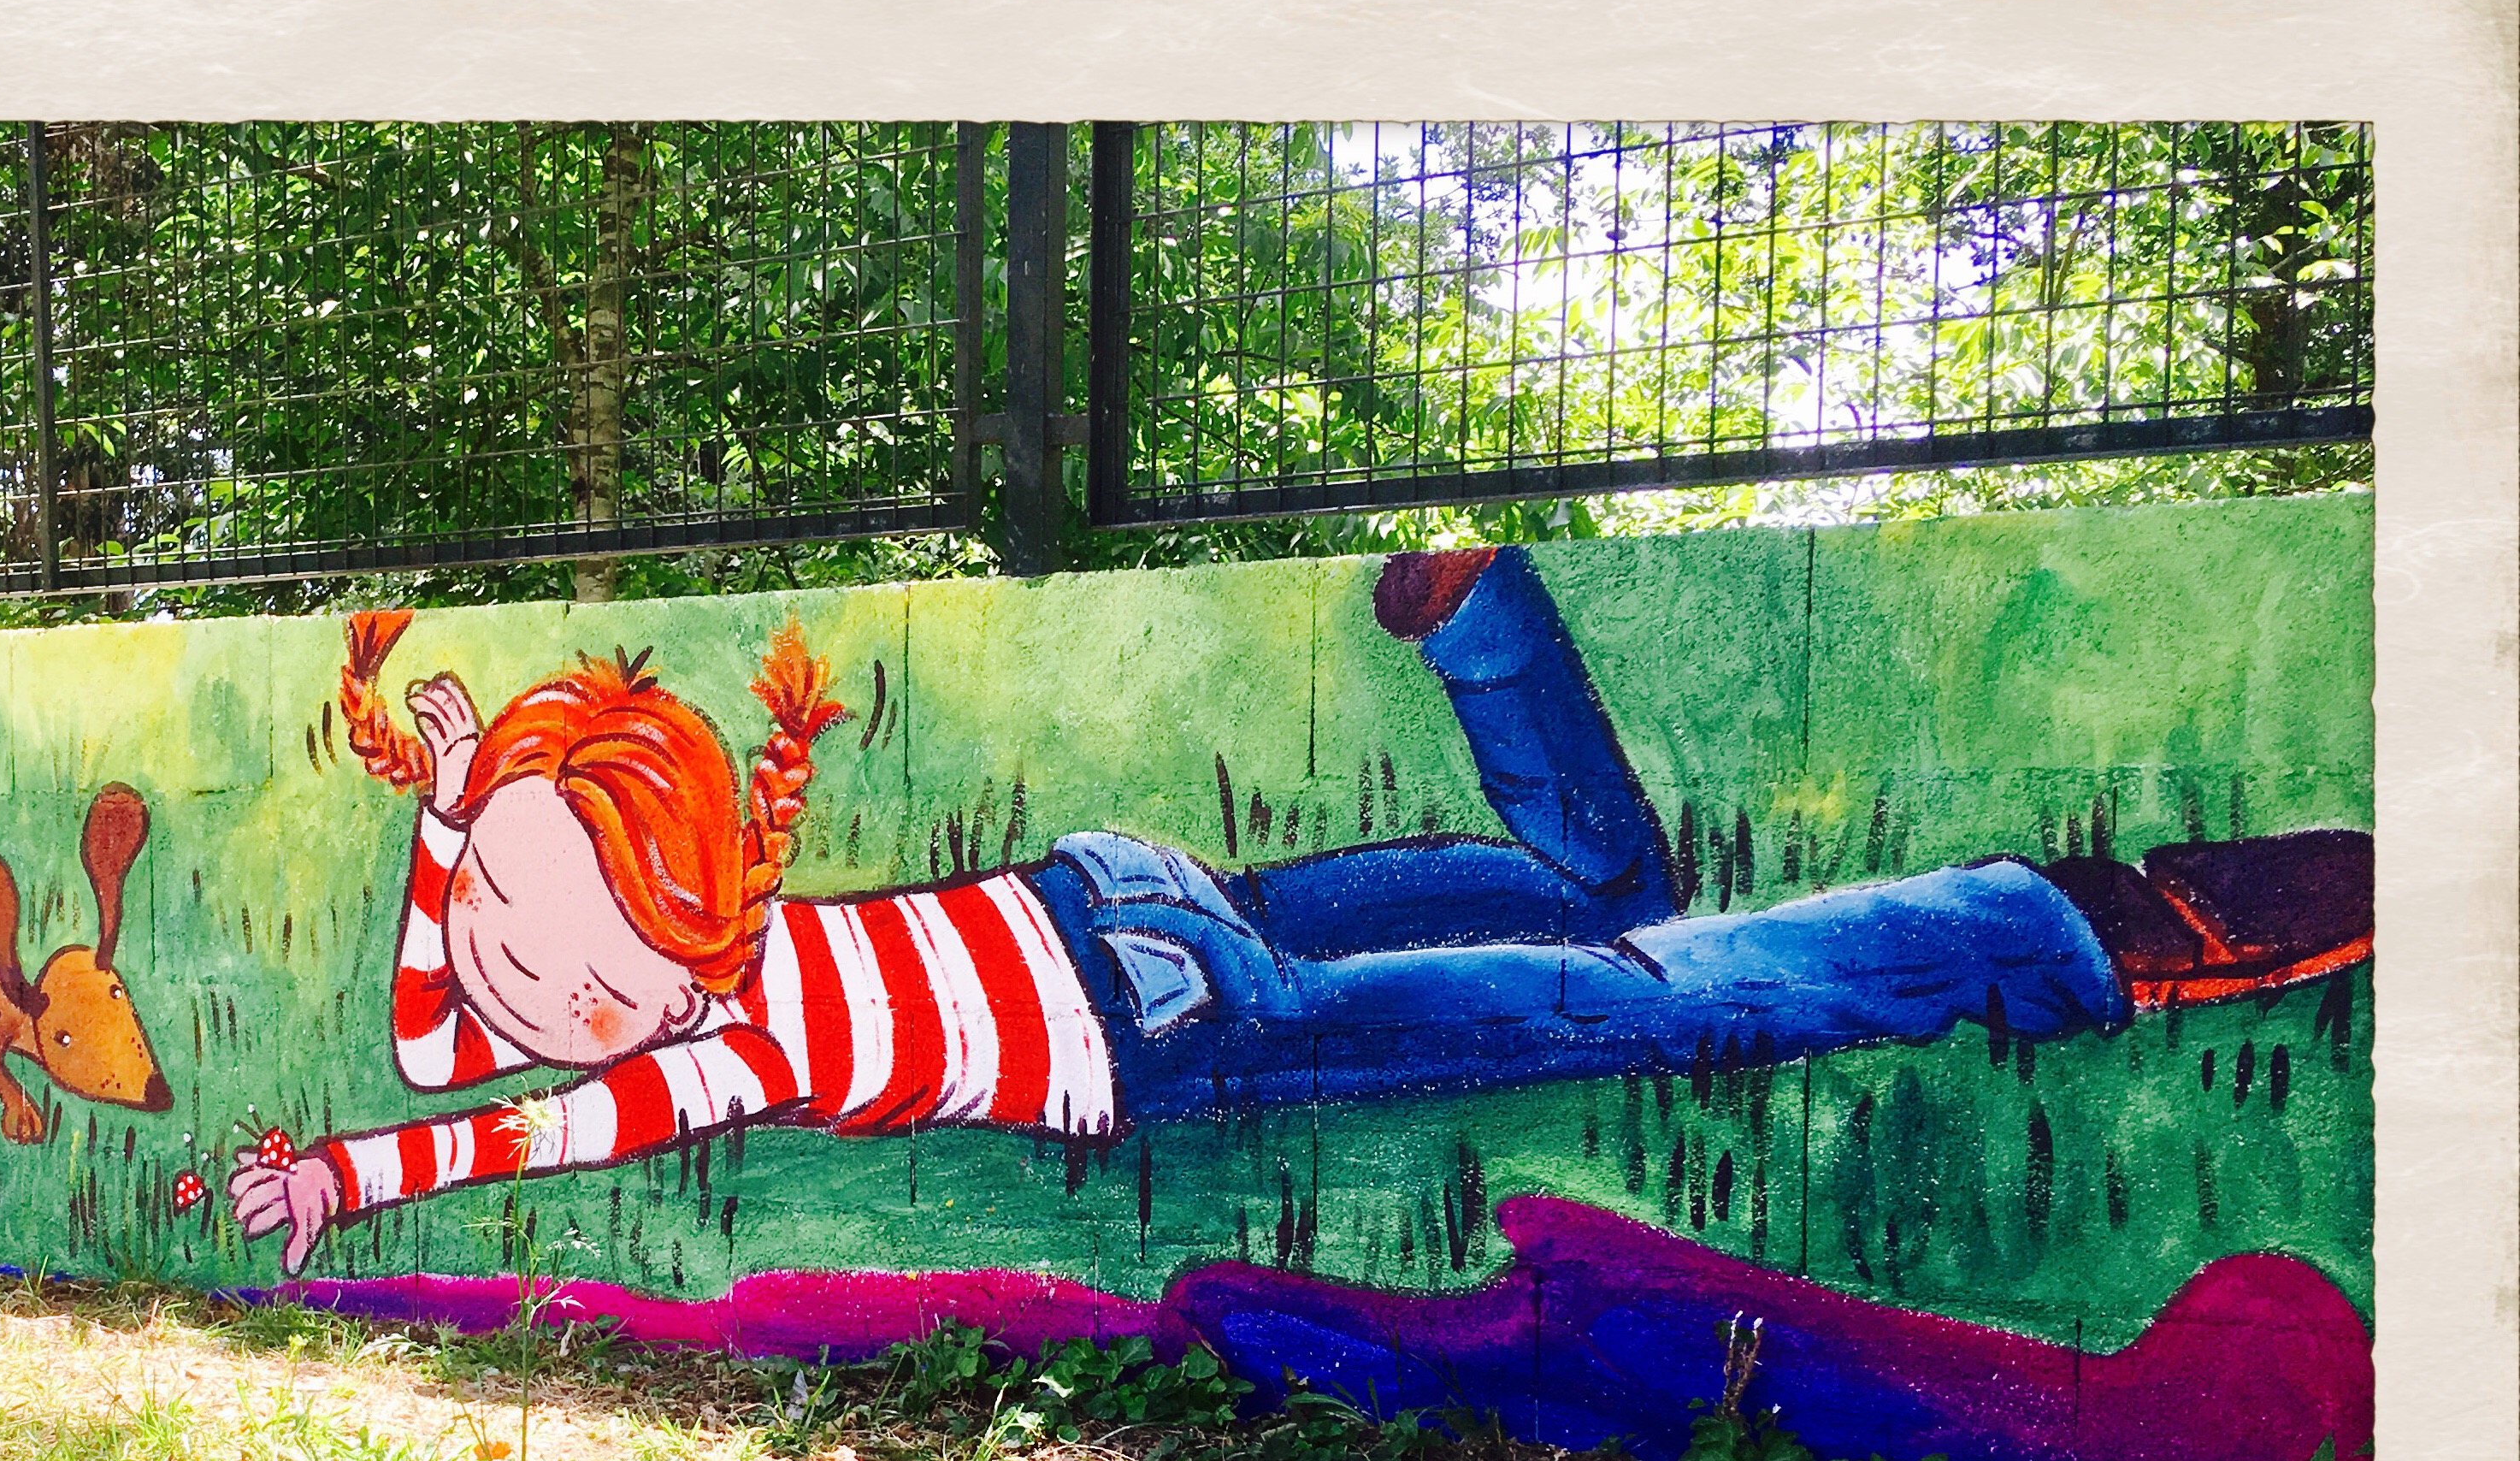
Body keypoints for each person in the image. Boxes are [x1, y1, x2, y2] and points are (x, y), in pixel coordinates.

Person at [230, 547, 2370, 1274]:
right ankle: (1480, 620)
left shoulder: (701, 1044)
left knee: (1644, 992)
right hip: (1130, 890)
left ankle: (2069, 927)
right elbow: (441, 1036)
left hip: (1185, 1017)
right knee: (1600, 893)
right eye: (504, 943)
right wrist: (452, 824)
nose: (506, 987)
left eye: (539, 953)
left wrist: (339, 1176)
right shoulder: (673, 953)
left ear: (672, 944)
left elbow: (492, 1104)